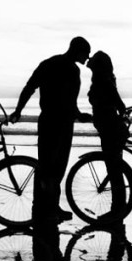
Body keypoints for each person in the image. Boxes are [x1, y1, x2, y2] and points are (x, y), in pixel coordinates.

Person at [9, 36, 91, 223]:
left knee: (46, 167)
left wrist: (18, 110)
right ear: (78, 50)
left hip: (48, 120)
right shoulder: (72, 70)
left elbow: (29, 87)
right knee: (55, 168)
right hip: (62, 124)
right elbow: (70, 101)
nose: (87, 58)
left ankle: (46, 208)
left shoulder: (48, 64)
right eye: (86, 53)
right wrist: (78, 115)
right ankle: (48, 210)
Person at [86, 50, 128, 222]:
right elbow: (117, 102)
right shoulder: (107, 80)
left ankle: (117, 210)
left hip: (110, 128)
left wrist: (120, 108)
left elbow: (117, 101)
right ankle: (118, 209)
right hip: (110, 127)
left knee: (114, 169)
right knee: (115, 168)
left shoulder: (103, 81)